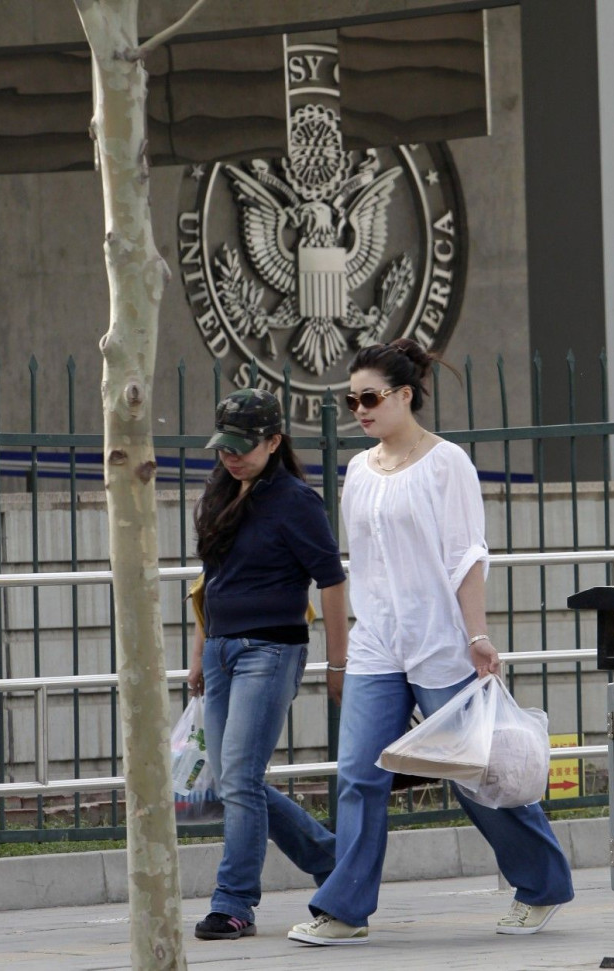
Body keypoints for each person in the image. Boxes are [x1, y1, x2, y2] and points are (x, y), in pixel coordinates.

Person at [288, 338, 574, 946]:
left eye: (369, 398)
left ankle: (542, 883)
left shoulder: (449, 464)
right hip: (377, 645)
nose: (359, 409)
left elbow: (466, 556)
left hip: (442, 642)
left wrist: (477, 635)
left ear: (405, 395)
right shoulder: (359, 471)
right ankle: (344, 908)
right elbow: (359, 562)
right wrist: (346, 648)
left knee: (475, 773)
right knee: (360, 774)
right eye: (351, 399)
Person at [188, 388, 348, 941]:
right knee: (237, 778)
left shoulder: (296, 501)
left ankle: (234, 903)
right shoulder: (217, 492)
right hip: (222, 648)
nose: (230, 457)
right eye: (224, 447)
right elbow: (210, 581)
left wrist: (337, 663)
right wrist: (199, 651)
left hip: (271, 650)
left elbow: (331, 580)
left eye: (243, 447)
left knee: (239, 778)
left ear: (275, 441)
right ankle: (332, 860)